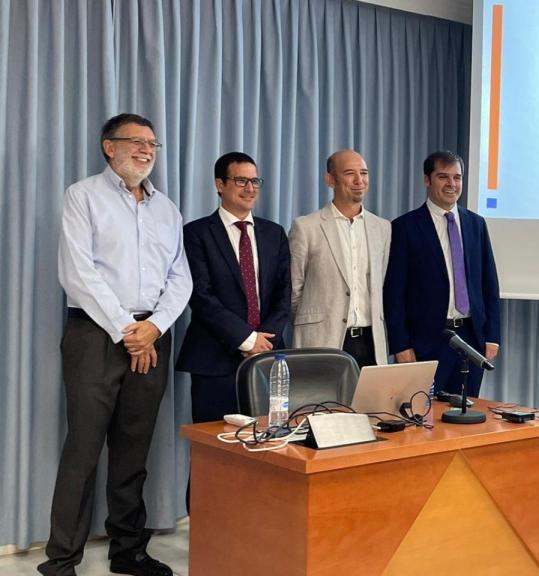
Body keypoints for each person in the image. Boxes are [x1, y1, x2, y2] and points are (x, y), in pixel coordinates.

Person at [40, 113, 192, 576]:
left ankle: (128, 550)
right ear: (109, 147)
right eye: (136, 142)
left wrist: (154, 329)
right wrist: (129, 330)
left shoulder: (167, 209)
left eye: (152, 144)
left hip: (152, 337)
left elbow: (180, 278)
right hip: (95, 335)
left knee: (134, 449)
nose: (147, 150)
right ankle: (61, 559)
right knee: (83, 449)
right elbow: (78, 272)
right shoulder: (82, 196)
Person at [176, 152, 291, 423]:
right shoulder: (196, 233)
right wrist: (246, 339)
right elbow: (201, 296)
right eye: (241, 181)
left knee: (269, 447)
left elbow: (283, 293)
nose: (250, 189)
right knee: (216, 453)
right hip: (214, 359)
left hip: (267, 358)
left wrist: (264, 340)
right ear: (219, 185)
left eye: (255, 181)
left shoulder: (274, 233)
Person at [384, 150, 501, 398]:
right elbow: (394, 293)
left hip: (470, 339)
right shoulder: (405, 227)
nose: (452, 184)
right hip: (426, 340)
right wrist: (400, 345)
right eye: (443, 177)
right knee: (425, 417)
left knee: (467, 415)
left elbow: (489, 285)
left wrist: (492, 336)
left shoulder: (476, 224)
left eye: (457, 177)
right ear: (427, 180)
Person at [289, 149, 390, 367]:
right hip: (322, 340)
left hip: (371, 343)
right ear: (330, 180)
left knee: (370, 403)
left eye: (363, 173)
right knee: (323, 403)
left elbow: (380, 284)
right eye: (349, 173)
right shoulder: (306, 227)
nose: (359, 180)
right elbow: (294, 291)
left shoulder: (382, 228)